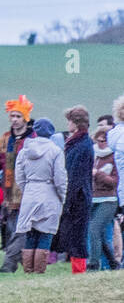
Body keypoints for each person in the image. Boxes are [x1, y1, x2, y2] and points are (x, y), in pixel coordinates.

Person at [0, 95, 36, 273]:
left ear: (25, 118)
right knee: (12, 231)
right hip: (10, 196)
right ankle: (26, 263)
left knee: (21, 231)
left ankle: (8, 266)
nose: (15, 120)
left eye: (18, 116)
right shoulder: (5, 139)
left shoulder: (33, 139)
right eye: (12, 116)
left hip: (30, 194)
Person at [14, 117, 67, 274]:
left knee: (30, 234)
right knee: (45, 233)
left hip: (30, 193)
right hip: (49, 192)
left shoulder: (24, 151)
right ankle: (39, 271)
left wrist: (28, 189)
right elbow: (60, 178)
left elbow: (19, 176)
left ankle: (28, 270)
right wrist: (62, 196)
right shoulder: (56, 151)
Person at [56, 106, 93, 274]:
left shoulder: (82, 145)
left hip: (78, 196)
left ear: (76, 122)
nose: (67, 124)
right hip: (76, 195)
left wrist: (67, 199)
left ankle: (79, 271)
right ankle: (76, 269)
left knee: (78, 237)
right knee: (74, 236)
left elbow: (75, 176)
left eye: (69, 120)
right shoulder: (77, 142)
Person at [89, 124, 120, 270]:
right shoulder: (94, 156)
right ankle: (114, 263)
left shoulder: (114, 157)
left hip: (109, 199)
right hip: (93, 198)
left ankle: (93, 264)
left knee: (94, 230)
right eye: (98, 140)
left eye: (104, 140)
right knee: (99, 234)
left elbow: (114, 182)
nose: (101, 143)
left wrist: (98, 174)